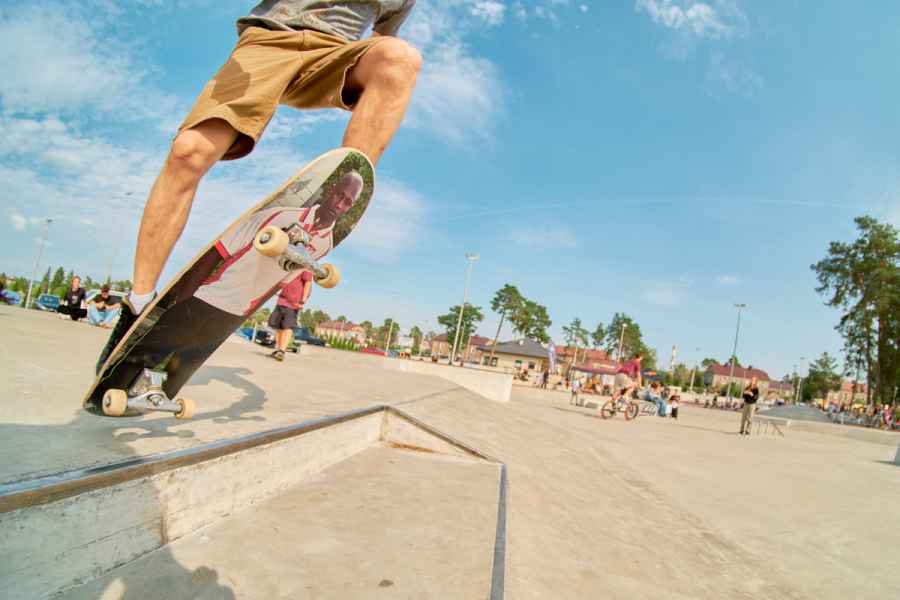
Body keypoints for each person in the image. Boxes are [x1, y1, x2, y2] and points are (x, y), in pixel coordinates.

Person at [96, 0, 422, 371]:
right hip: (268, 42)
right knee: (189, 153)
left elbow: (382, 40)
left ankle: (344, 182)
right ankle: (137, 305)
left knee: (400, 58)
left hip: (332, 59)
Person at [267, 271, 313, 361]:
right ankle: (279, 350)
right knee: (279, 326)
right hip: (281, 300)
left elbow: (308, 283)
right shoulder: (291, 266)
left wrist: (303, 300)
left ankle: (282, 351)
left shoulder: (305, 268)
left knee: (288, 326)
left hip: (293, 303)